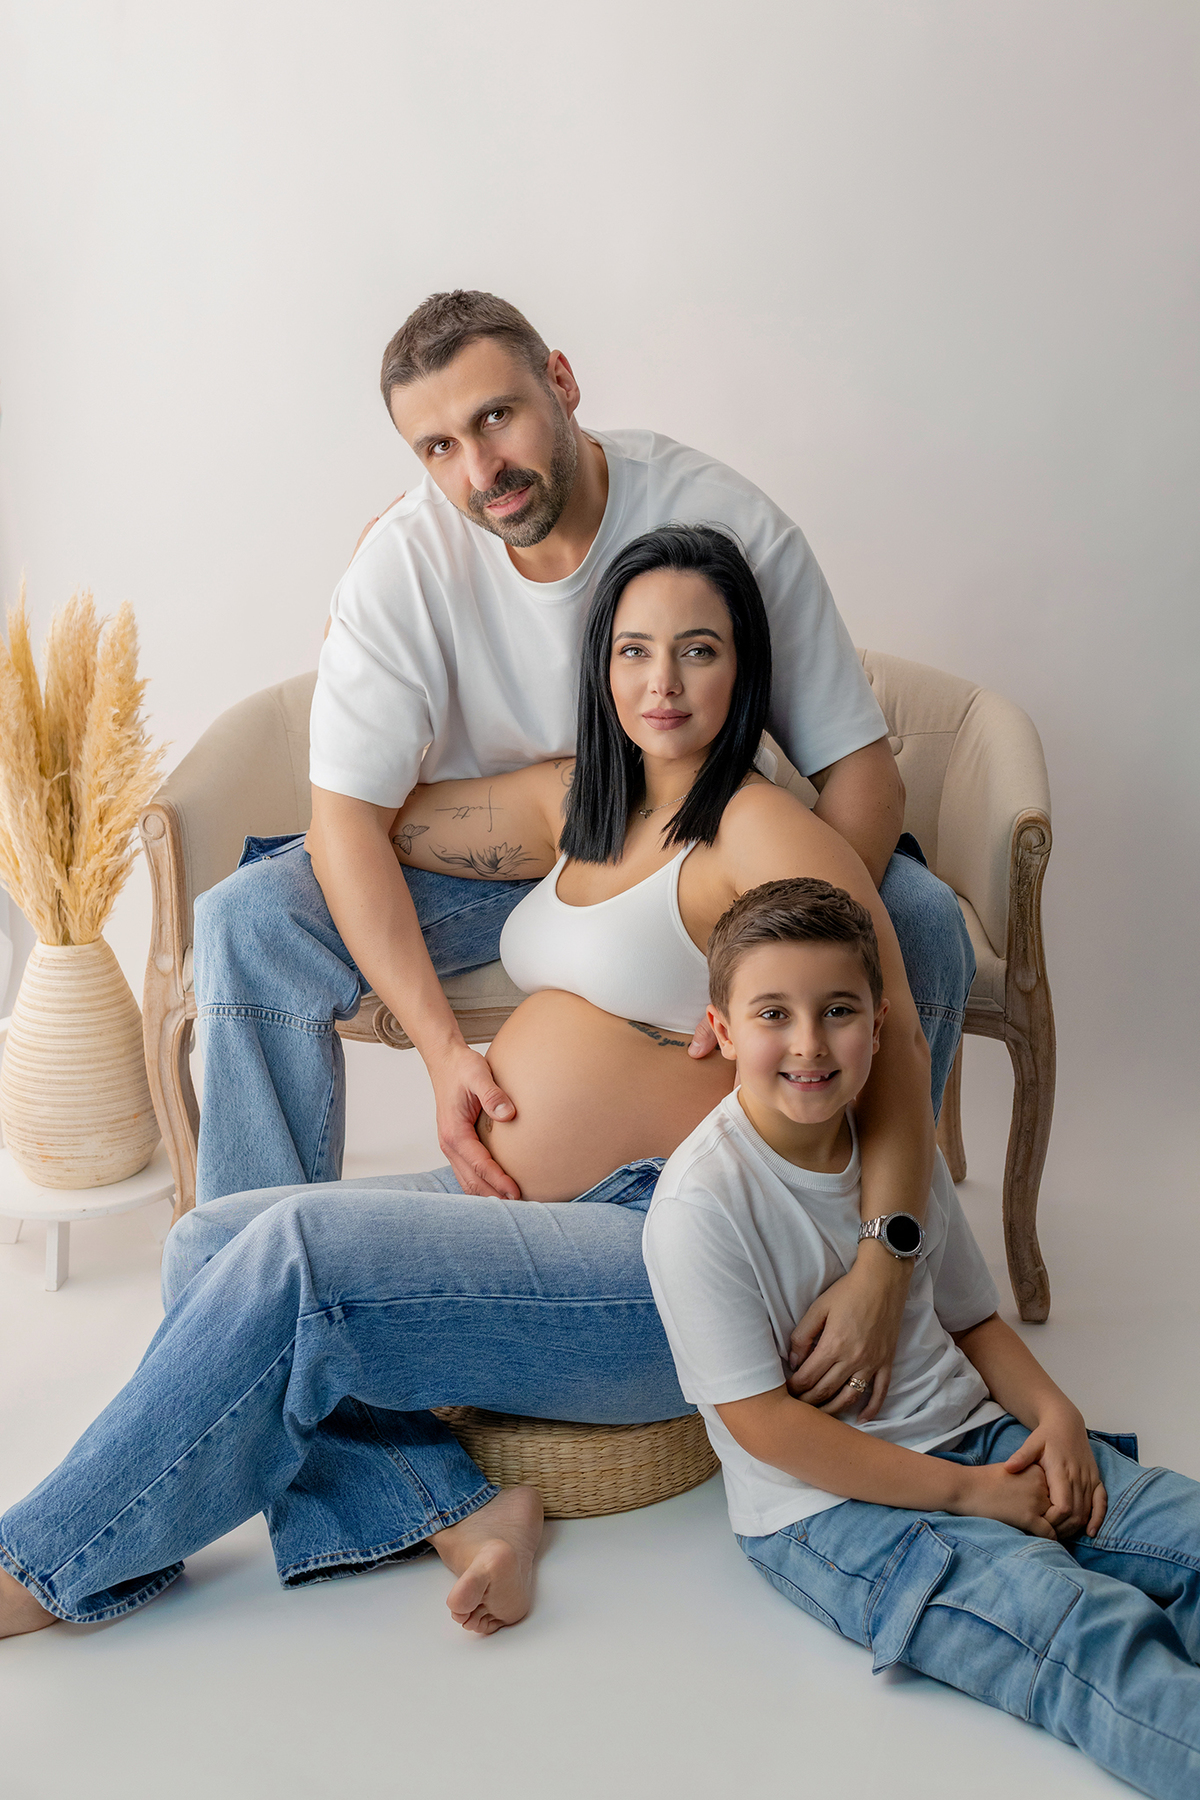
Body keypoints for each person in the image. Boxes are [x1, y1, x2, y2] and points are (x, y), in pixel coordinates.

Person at [1, 527, 933, 1642]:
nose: (664, 683)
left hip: (670, 1251)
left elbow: (897, 1041)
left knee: (298, 1259)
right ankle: (458, 1507)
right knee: (205, 1245)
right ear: (602, 667)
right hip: (533, 1213)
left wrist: (885, 1261)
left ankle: (40, 1567)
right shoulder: (581, 806)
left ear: (745, 672)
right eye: (634, 652)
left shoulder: (758, 830)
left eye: (699, 650)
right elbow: (364, 814)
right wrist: (355, 643)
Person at [193, 287, 973, 1223]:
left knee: (918, 918)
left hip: (694, 854)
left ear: (561, 382)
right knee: (249, 919)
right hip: (502, 854)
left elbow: (862, 773)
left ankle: (859, 1221)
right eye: (438, 447)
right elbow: (346, 824)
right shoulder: (400, 567)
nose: (481, 469)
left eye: (496, 417)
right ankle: (248, 1258)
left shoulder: (719, 518)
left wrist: (758, 965)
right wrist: (444, 1053)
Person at [642, 878, 1200, 1800]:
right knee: (1082, 1629)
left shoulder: (897, 1153)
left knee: (1183, 1532)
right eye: (774, 1014)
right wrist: (970, 1496)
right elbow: (764, 1426)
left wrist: (1057, 1416)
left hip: (980, 1437)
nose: (810, 1043)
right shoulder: (700, 1208)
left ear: (879, 1021)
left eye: (838, 1011)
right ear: (723, 1030)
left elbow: (972, 1320)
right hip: (834, 1511)